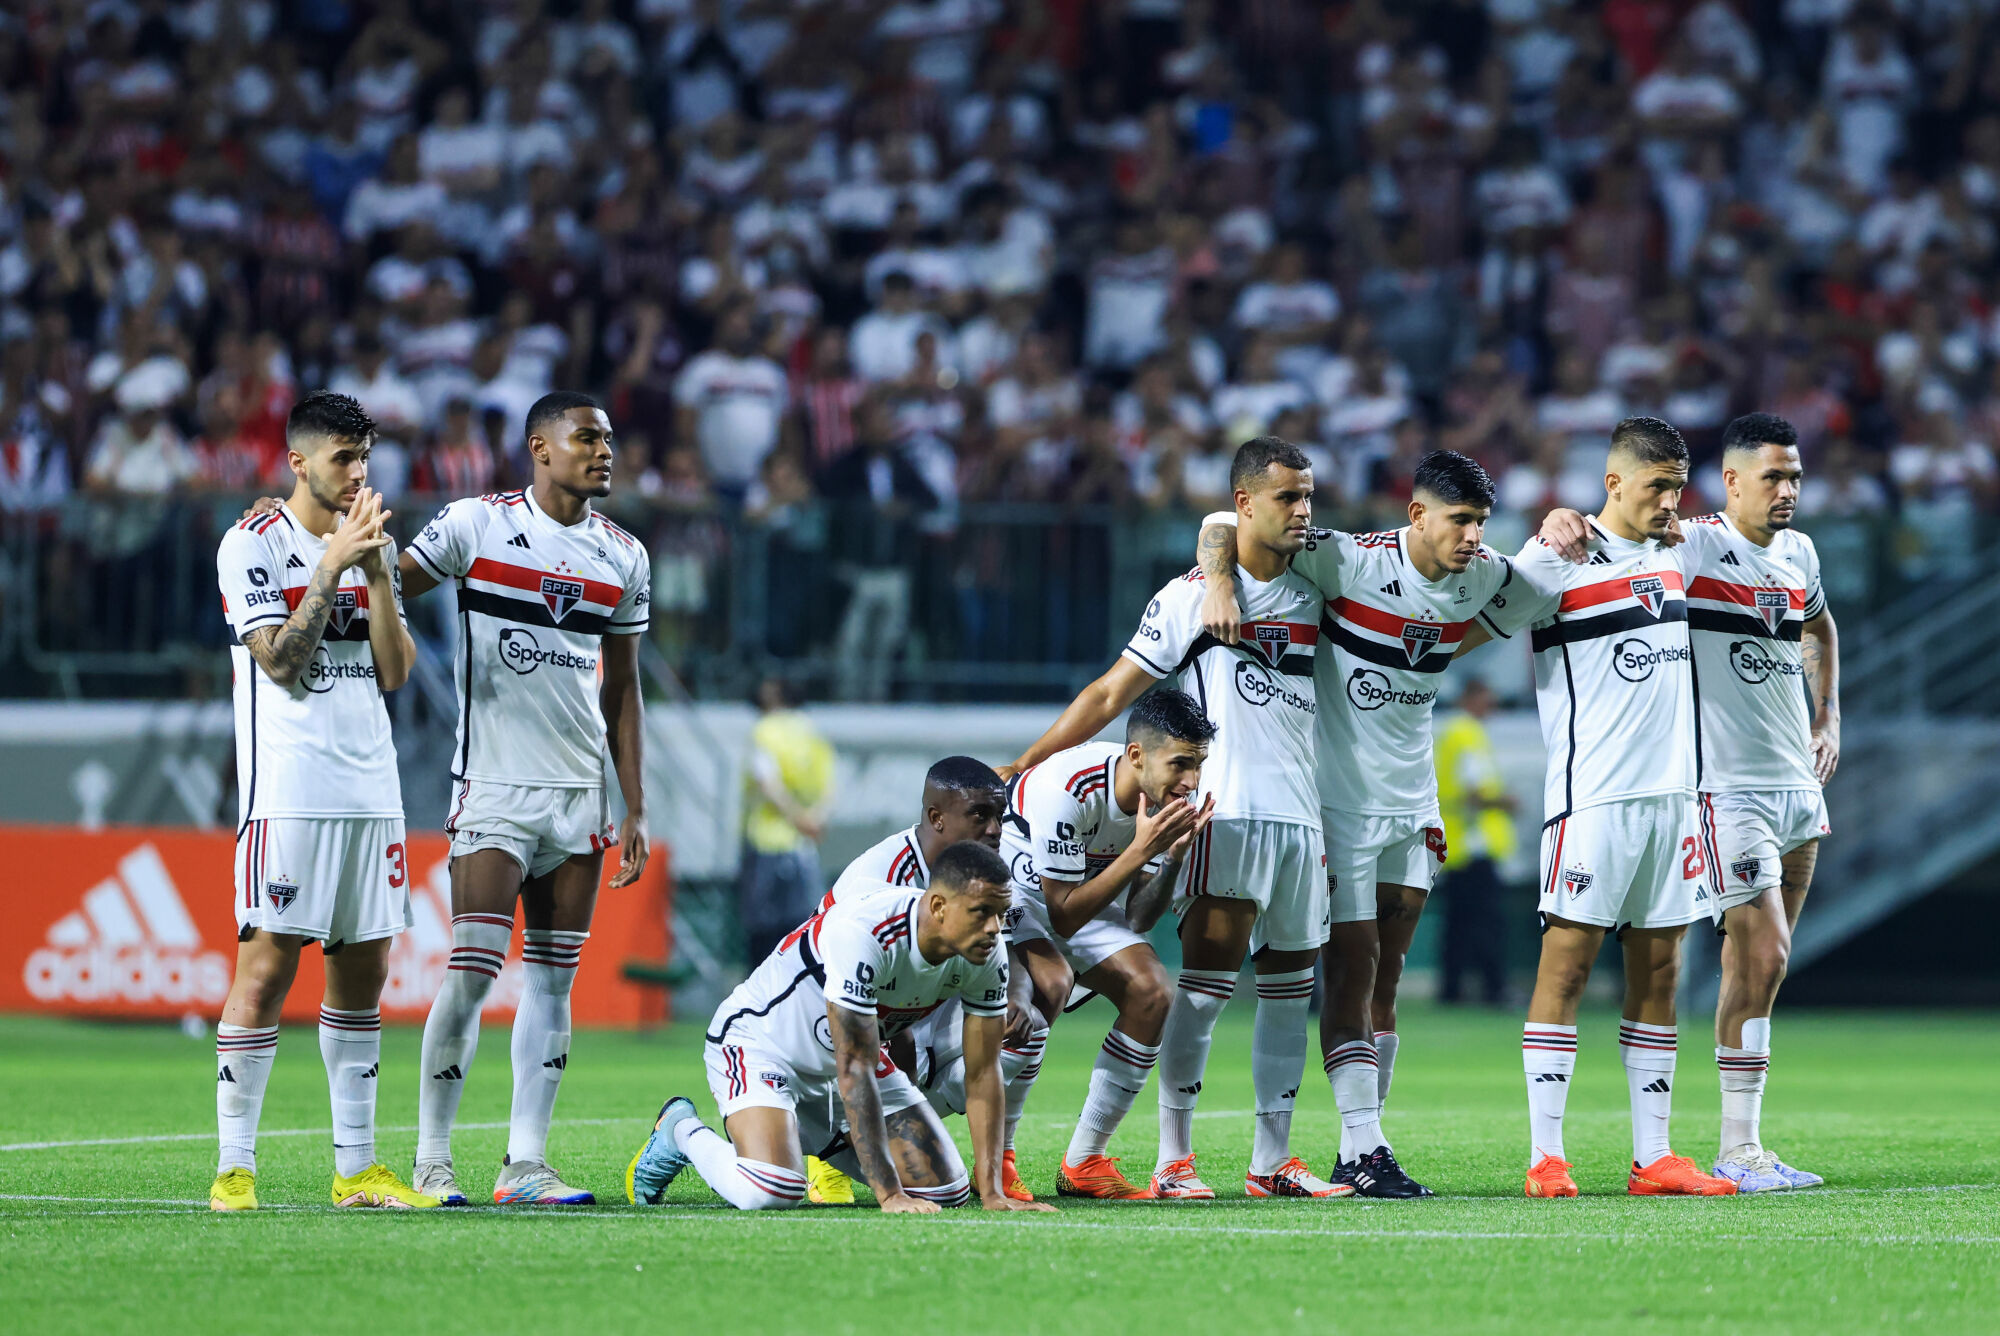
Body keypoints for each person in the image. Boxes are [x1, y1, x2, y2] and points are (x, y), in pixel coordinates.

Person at [1004, 437, 1336, 1200]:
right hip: (1227, 813)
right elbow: (1106, 696)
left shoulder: (1318, 574)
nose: (1304, 511)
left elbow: (1227, 520)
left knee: (1290, 993)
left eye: (1308, 497)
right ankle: (1172, 1158)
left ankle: (1271, 1163)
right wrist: (1027, 762)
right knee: (1203, 989)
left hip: (1302, 815)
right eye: (1287, 498)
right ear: (1252, 502)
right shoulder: (1192, 596)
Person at [1194, 450, 1521, 1197]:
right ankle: (1366, 1148)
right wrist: (1218, 579)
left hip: (1416, 805)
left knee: (1390, 978)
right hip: (1339, 805)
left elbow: (1535, 591)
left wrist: (1570, 529)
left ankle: (1356, 1147)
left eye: (1480, 522)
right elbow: (1224, 521)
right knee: (1352, 969)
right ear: (1417, 514)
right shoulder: (1344, 559)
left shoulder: (1490, 577)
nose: (1473, 536)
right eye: (1460, 520)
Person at [1538, 411, 1839, 1192]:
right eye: (1773, 475)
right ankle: (1730, 1149)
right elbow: (1610, 529)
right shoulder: (1692, 542)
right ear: (1732, 480)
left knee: (1766, 967)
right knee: (1760, 952)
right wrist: (1560, 516)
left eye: (1796, 475)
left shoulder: (1800, 553)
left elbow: (1819, 625)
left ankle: (1746, 1144)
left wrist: (1828, 712)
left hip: (1795, 785)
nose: (1789, 490)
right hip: (1721, 788)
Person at [1463, 416, 1737, 1199]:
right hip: (1594, 802)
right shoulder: (1558, 560)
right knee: (1568, 966)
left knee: (1659, 971)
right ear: (1612, 482)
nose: (1671, 502)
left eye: (1679, 487)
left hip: (1675, 804)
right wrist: (1542, 532)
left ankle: (1655, 1158)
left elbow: (1754, 527)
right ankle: (1546, 1157)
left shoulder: (1681, 548)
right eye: (1656, 487)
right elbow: (1467, 625)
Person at [399, 391, 652, 1206]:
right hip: (496, 787)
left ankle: (524, 1163)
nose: (604, 450)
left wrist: (635, 804)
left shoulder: (624, 555)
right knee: (472, 970)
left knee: (551, 983)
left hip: (579, 795)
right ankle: (432, 1159)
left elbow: (625, 691)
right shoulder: (473, 525)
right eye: (587, 437)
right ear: (540, 447)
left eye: (609, 438)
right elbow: (390, 585)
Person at [210, 391, 433, 1211]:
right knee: (267, 970)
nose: (359, 473)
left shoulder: (373, 540)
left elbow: (396, 671)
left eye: (364, 457)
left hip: (371, 786)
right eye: (344, 457)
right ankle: (235, 1168)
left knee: (364, 972)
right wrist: (333, 563)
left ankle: (357, 1170)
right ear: (299, 462)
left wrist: (375, 569)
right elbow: (279, 661)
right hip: (292, 790)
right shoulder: (253, 542)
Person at [622, 842, 1056, 1216]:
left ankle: (803, 1134)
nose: (994, 929)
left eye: (1000, 915)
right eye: (982, 913)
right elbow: (854, 1067)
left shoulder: (986, 953)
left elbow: (983, 1072)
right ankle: (681, 1130)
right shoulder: (867, 933)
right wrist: (889, 1193)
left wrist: (994, 1193)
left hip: (846, 1065)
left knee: (946, 1191)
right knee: (772, 1191)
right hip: (761, 1046)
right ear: (939, 907)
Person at [1002, 688, 1215, 1199]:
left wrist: (1170, 859)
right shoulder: (1067, 787)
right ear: (1137, 756)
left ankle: (1084, 1162)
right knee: (1030, 1007)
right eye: (1181, 763)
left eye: (1200, 765)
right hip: (1015, 901)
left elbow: (1139, 916)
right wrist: (1142, 847)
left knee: (1151, 992)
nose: (1191, 781)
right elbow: (1063, 914)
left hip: (1080, 897)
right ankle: (999, 1158)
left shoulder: (1159, 802)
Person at [810, 754, 1029, 1206]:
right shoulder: (880, 879)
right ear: (936, 817)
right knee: (768, 1184)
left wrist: (1014, 994)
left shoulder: (981, 872)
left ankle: (969, 1158)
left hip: (906, 1010)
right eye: (980, 815)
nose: (994, 829)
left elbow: (1001, 949)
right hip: (829, 1028)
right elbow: (841, 986)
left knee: (1020, 1031)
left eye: (999, 817)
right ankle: (823, 1147)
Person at [1433, 678, 1518, 1006]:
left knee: (1457, 924)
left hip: (1457, 846)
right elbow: (1475, 790)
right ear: (1471, 698)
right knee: (1486, 922)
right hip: (1474, 844)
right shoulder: (1467, 734)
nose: (1491, 707)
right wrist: (1506, 802)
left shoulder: (1451, 733)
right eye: (1487, 699)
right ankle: (1494, 989)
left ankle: (1450, 991)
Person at [740, 677, 834, 965]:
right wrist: (813, 819)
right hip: (803, 844)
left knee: (762, 932)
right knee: (804, 926)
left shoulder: (764, 730)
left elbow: (766, 782)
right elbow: (830, 783)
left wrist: (794, 816)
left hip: (765, 841)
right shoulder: (811, 732)